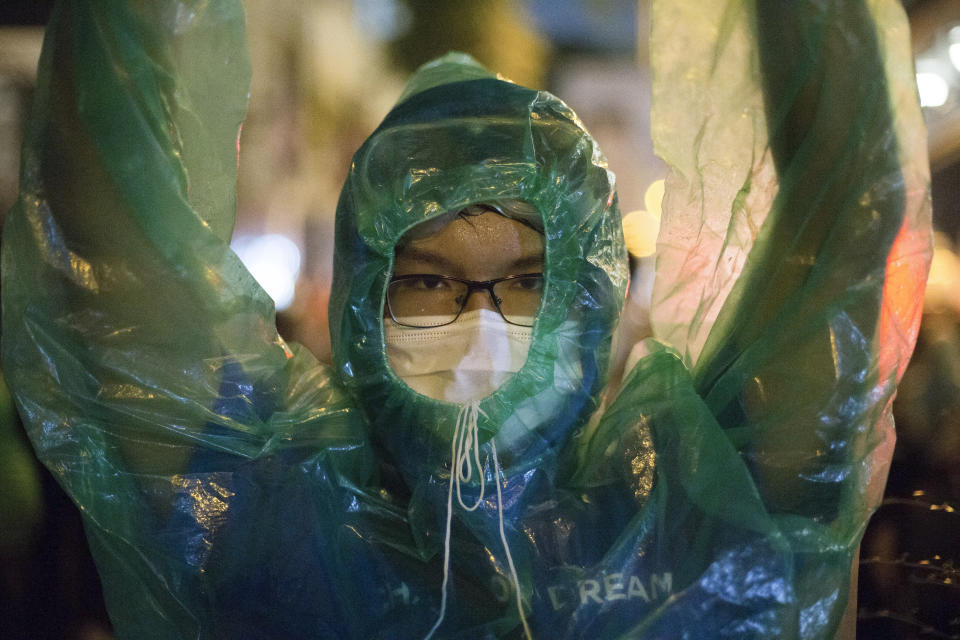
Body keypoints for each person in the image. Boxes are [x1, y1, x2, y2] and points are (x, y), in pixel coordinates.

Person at [1, 1, 931, 639]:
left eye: (527, 281)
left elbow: (846, 215)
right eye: (432, 284)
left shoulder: (699, 509)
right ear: (367, 307)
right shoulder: (280, 524)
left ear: (591, 296)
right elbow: (109, 248)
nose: (483, 324)